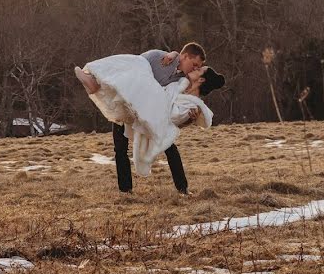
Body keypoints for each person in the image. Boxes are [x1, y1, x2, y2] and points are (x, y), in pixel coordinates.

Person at [75, 43, 222, 194]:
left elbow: (175, 112)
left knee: (170, 147)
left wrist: (190, 119)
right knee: (120, 148)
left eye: (198, 67)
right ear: (184, 57)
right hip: (127, 104)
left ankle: (182, 189)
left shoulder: (182, 79)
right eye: (194, 64)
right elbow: (131, 68)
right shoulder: (160, 58)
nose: (195, 68)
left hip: (151, 114)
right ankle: (125, 190)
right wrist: (174, 54)